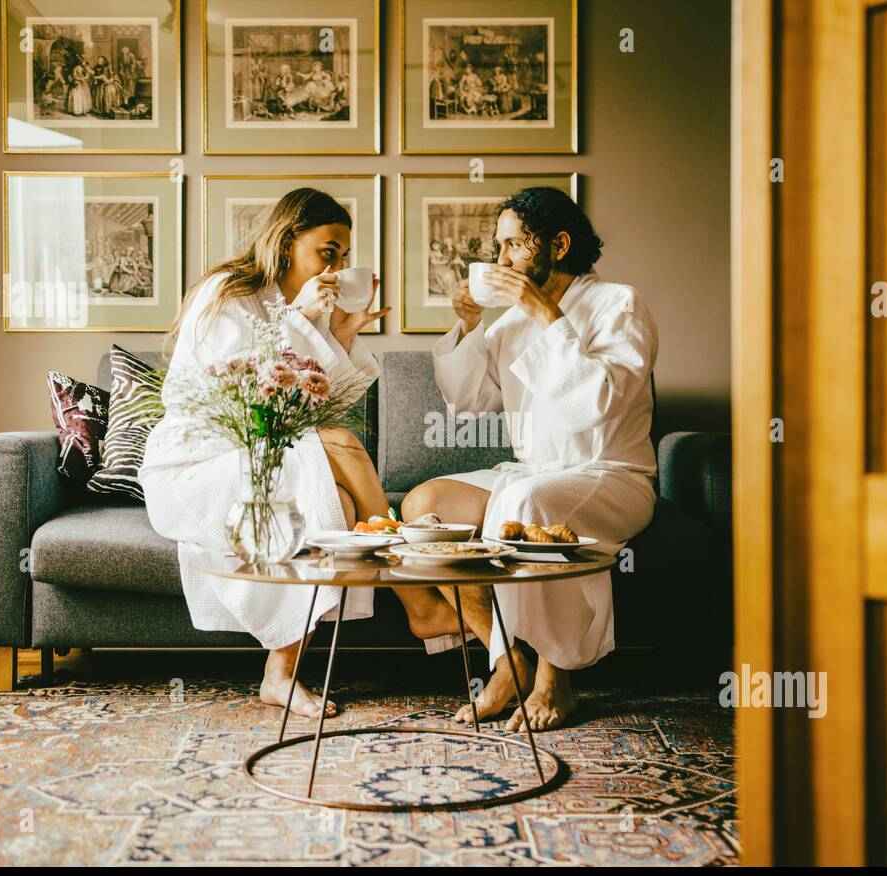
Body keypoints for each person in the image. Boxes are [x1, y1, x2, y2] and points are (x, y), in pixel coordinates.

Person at [139, 189, 462, 719]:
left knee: (341, 507)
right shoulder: (227, 292)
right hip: (198, 465)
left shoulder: (300, 308)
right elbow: (241, 395)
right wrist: (301, 323)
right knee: (339, 441)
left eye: (343, 257)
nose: (337, 266)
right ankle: (419, 601)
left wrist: (339, 333)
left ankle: (280, 674)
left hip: (264, 455)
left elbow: (313, 402)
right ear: (288, 243)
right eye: (327, 252)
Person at [402, 187, 658, 731]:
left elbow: (596, 403)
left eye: (513, 245)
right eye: (498, 248)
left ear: (558, 244)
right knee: (427, 505)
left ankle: (554, 679)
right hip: (535, 473)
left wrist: (546, 313)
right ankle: (506, 662)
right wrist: (472, 326)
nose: (500, 262)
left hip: (610, 473)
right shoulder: (511, 322)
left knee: (526, 500)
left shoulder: (620, 304)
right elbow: (470, 402)